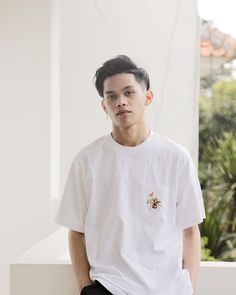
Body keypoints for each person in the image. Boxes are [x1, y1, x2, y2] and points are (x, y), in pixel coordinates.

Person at [55, 55, 205, 295]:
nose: (120, 102)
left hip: (166, 289)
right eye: (111, 96)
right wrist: (85, 287)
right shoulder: (87, 160)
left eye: (129, 92)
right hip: (109, 287)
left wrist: (189, 289)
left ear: (147, 97)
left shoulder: (176, 157)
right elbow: (76, 232)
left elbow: (190, 231)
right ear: (104, 105)